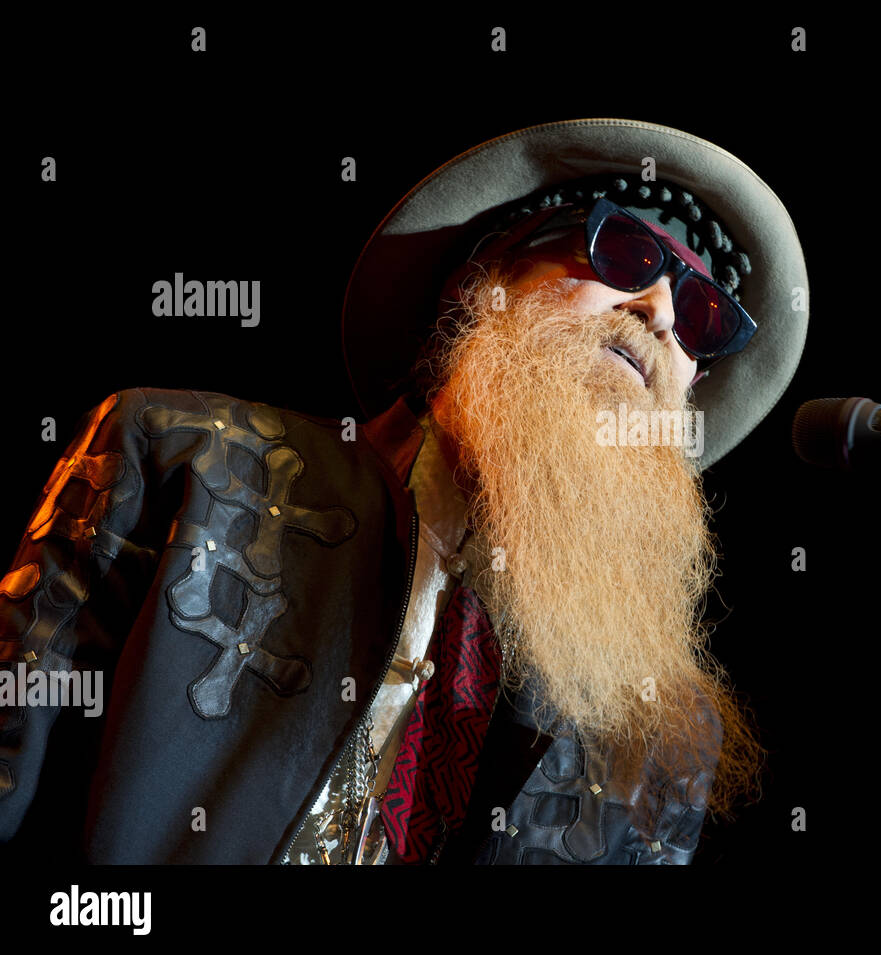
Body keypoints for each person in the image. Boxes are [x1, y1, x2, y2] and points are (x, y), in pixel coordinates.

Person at [0, 118, 809, 864]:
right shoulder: (182, 459)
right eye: (626, 254)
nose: (662, 310)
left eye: (705, 315)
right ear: (481, 281)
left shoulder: (663, 734)